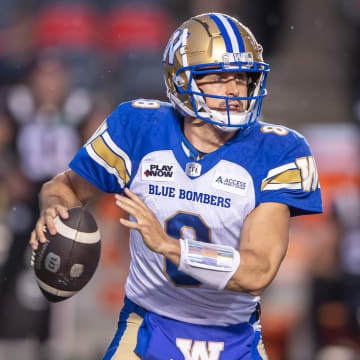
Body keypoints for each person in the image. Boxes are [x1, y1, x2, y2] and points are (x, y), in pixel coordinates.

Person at [29, 13, 323, 360]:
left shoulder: (275, 152)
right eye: (218, 78)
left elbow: (258, 270)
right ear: (182, 79)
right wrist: (54, 207)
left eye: (243, 78)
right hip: (149, 330)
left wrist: (172, 247)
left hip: (235, 339)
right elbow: (64, 186)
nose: (233, 89)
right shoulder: (139, 127)